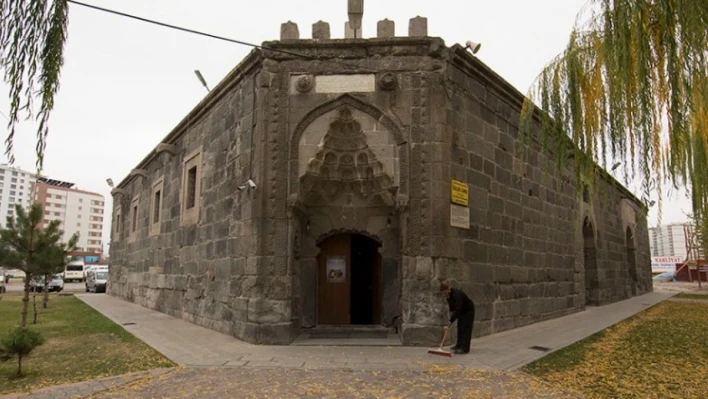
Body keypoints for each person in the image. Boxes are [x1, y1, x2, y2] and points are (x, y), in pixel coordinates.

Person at [440, 282, 475, 354]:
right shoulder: (448, 296)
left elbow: (457, 310)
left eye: (444, 292)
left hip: (468, 310)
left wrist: (450, 321)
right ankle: (459, 345)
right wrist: (450, 318)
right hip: (461, 311)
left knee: (465, 328)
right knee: (459, 327)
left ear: (448, 289)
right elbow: (452, 308)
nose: (444, 295)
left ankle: (464, 348)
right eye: (442, 293)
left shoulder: (457, 295)